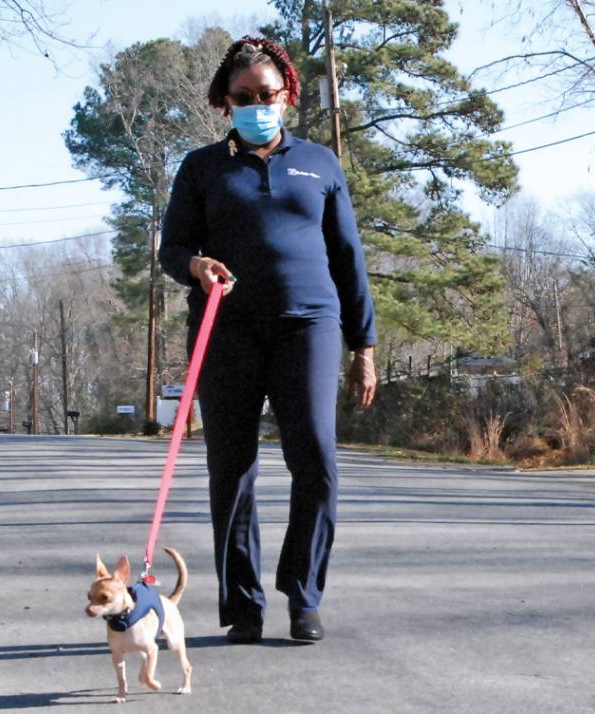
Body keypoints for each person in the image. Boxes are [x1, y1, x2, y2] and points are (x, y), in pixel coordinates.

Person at [158, 36, 377, 644]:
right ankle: (244, 606)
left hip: (308, 325)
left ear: (287, 96)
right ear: (225, 102)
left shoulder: (321, 164)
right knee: (232, 470)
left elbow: (348, 257)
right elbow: (172, 249)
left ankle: (303, 594)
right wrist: (196, 267)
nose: (258, 104)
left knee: (317, 460)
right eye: (244, 97)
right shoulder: (202, 168)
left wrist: (365, 347)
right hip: (224, 330)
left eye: (269, 95)